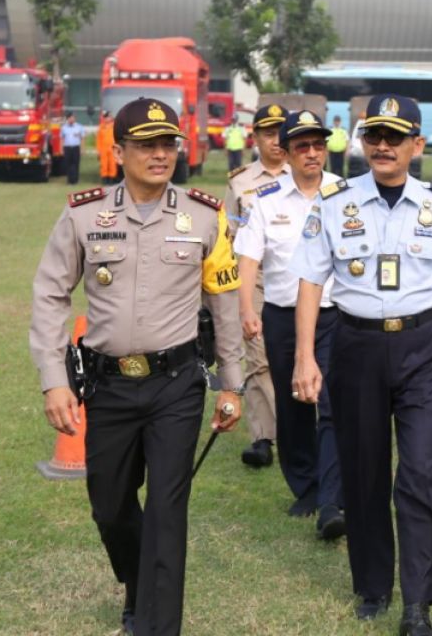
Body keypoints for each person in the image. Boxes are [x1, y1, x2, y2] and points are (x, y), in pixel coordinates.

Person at [30, 97, 244, 636]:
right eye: (145, 144)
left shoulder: (204, 215)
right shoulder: (83, 213)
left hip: (177, 386)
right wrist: (55, 380)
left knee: (168, 514)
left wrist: (233, 385)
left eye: (167, 143)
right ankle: (137, 586)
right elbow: (50, 295)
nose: (158, 154)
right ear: (118, 150)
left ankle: (153, 625)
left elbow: (225, 302)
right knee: (110, 506)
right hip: (107, 387)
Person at [289, 94, 432, 636]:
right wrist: (305, 356)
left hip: (421, 349)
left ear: (418, 144)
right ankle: (373, 585)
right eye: (374, 135)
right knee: (365, 470)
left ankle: (418, 601)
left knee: (419, 472)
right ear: (363, 141)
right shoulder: (333, 202)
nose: (383, 146)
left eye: (395, 137)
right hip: (355, 347)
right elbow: (309, 281)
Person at [234, 110, 346, 537]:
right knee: (294, 403)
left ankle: (334, 497)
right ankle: (307, 485)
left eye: (319, 145)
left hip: (336, 315)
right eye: (303, 146)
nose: (312, 153)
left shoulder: (345, 194)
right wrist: (247, 309)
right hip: (280, 315)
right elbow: (248, 258)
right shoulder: (266, 199)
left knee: (334, 404)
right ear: (288, 151)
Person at [223, 104, 290, 469]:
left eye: (282, 132)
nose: (276, 141)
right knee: (259, 361)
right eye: (268, 133)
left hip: (304, 284)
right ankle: (265, 437)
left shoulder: (313, 177)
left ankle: (301, 431)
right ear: (256, 137)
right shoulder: (240, 182)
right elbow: (230, 234)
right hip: (257, 280)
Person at [61, 112, 85, 185]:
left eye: (73, 118)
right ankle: (69, 180)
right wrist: (61, 149)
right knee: (68, 164)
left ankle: (75, 180)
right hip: (67, 147)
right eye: (70, 118)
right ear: (67, 119)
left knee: (76, 164)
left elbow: (82, 139)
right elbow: (62, 138)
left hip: (76, 148)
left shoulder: (79, 127)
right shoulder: (64, 127)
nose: (72, 119)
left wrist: (82, 149)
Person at [97, 111, 118, 184]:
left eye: (108, 117)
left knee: (112, 164)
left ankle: (112, 180)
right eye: (106, 117)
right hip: (103, 149)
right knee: (104, 164)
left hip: (113, 148)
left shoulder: (115, 126)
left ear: (111, 118)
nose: (107, 119)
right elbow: (98, 140)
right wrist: (98, 151)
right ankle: (105, 180)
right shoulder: (101, 127)